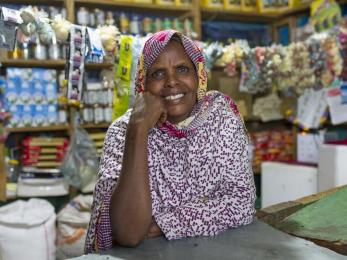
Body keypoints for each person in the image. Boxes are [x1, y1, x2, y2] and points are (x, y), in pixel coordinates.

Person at [85, 30, 256, 253]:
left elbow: (242, 204)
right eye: (157, 74)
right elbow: (128, 232)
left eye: (182, 69)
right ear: (143, 83)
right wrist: (138, 128)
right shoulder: (122, 131)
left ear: (199, 75)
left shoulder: (221, 118)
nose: (171, 82)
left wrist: (170, 222)